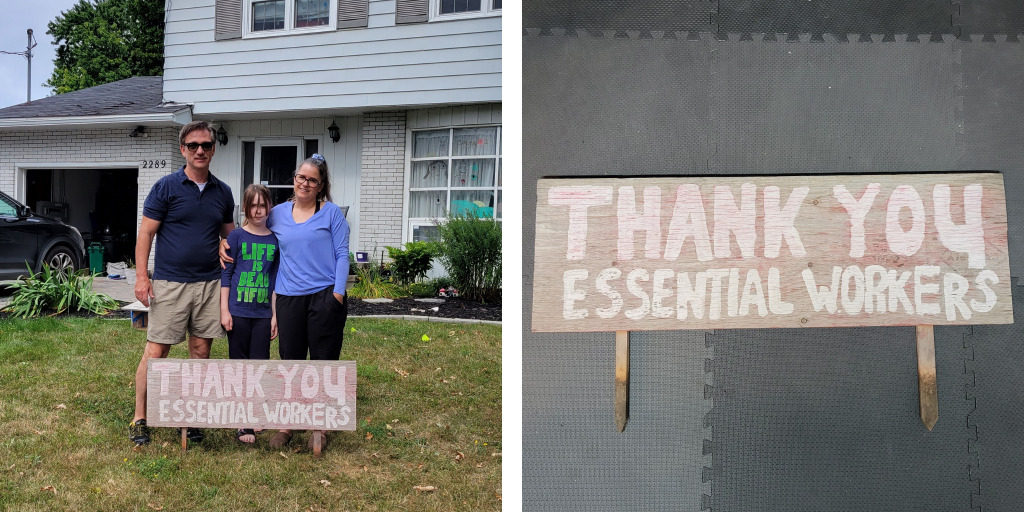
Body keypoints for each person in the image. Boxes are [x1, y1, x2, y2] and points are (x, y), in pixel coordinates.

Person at [221, 153, 349, 451]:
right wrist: (223, 242)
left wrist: (338, 295)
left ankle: (319, 426)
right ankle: (287, 423)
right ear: (294, 179)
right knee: (290, 361)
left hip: (324, 295)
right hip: (289, 297)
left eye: (312, 180)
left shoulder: (331, 214)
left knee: (321, 361)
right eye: (300, 177)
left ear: (321, 185)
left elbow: (343, 255)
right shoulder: (277, 212)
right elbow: (251, 228)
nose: (304, 183)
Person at [129, 121, 235, 446]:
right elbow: (146, 233)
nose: (200, 150)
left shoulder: (223, 192)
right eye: (193, 146)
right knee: (156, 350)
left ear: (214, 149)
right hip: (170, 284)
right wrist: (142, 277)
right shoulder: (166, 187)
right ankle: (139, 418)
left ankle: (187, 418)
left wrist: (224, 244)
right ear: (183, 150)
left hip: (209, 286)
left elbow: (230, 236)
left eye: (206, 145)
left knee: (200, 351)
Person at [220, 184, 278, 444]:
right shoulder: (236, 237)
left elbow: (276, 280)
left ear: (269, 207)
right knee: (240, 366)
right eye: (253, 205)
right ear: (246, 208)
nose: (258, 210)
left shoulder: (274, 240)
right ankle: (243, 423)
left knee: (259, 365)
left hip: (263, 313)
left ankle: (256, 414)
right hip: (239, 311)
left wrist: (275, 315)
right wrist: (224, 310)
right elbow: (226, 275)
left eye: (262, 205)